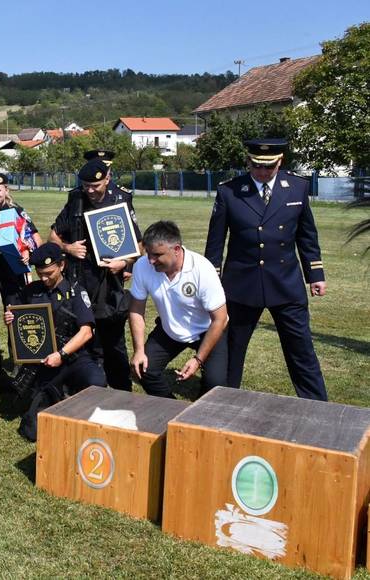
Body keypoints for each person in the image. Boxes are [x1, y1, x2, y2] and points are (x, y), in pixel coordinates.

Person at [205, 138, 327, 400]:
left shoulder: (297, 188)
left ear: (280, 162)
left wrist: (315, 274)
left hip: (286, 283)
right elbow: (215, 243)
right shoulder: (230, 191)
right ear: (248, 162)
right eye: (256, 166)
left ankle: (318, 404)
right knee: (233, 349)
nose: (262, 172)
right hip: (242, 285)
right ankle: (223, 401)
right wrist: (213, 282)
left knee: (301, 349)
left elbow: (307, 236)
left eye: (268, 166)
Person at [50, 159, 142, 391]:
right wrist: (68, 248)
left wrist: (124, 262)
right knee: (82, 338)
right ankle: (84, 389)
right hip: (79, 281)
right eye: (86, 185)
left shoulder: (120, 200)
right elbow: (53, 236)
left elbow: (138, 245)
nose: (90, 191)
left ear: (107, 179)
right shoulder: (75, 199)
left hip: (108, 286)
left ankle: (122, 392)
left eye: (96, 186)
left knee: (113, 344)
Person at [5, 243, 105, 441]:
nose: (44, 278)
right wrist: (10, 320)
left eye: (49, 273)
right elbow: (21, 324)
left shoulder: (76, 292)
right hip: (45, 362)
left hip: (73, 356)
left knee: (97, 382)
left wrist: (62, 354)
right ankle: (58, 395)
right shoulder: (30, 291)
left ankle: (74, 402)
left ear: (62, 265)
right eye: (40, 273)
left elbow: (86, 332)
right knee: (32, 430)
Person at [129, 221, 228, 398]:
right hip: (170, 330)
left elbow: (219, 319)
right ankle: (171, 409)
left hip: (208, 329)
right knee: (143, 369)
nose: (151, 261)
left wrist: (198, 360)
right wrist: (139, 351)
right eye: (149, 254)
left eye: (157, 255)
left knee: (216, 385)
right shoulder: (142, 266)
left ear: (176, 249)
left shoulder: (202, 269)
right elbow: (136, 310)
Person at [0, 172, 42, 308]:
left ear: (6, 190)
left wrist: (29, 255)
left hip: (13, 269)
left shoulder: (16, 211)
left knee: (15, 310)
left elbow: (35, 237)